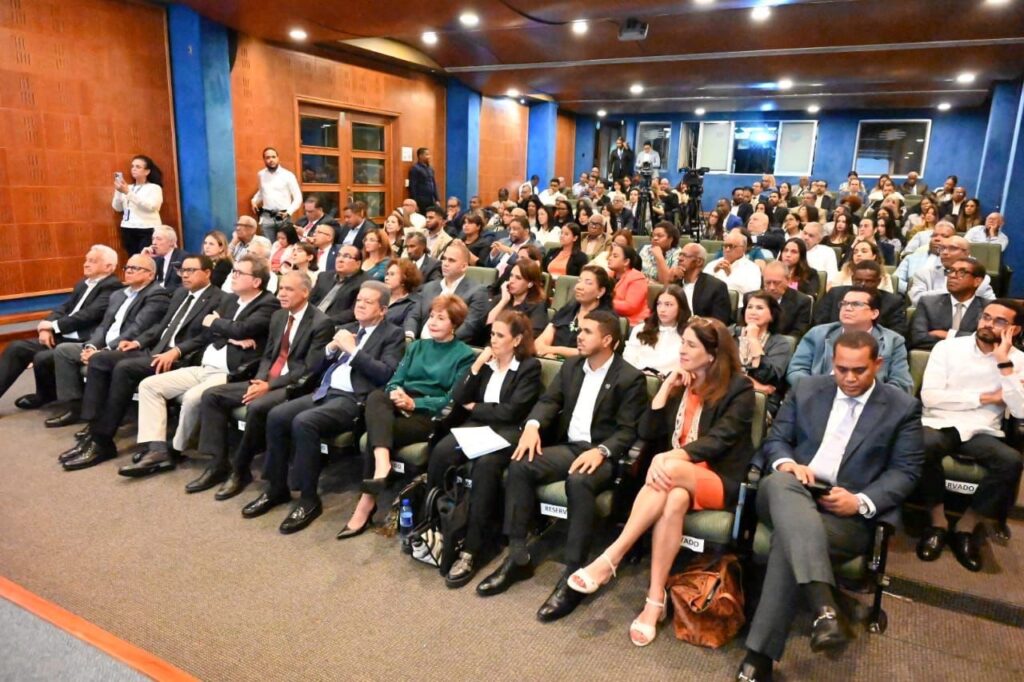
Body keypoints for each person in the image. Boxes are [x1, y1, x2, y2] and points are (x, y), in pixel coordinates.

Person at [737, 332, 923, 682]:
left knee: (787, 541)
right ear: (832, 364)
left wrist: (860, 501)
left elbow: (906, 472)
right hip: (790, 490)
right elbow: (777, 440)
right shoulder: (808, 388)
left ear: (878, 364)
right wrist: (788, 464)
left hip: (845, 513)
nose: (849, 378)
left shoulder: (901, 407)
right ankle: (824, 604)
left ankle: (760, 655)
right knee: (779, 482)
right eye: (841, 369)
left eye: (859, 370)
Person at [568, 317, 754, 644]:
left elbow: (721, 439)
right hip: (676, 482)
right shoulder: (682, 382)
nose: (682, 350)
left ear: (712, 354)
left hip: (719, 478)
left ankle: (611, 557)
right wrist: (666, 389)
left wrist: (670, 457)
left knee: (667, 469)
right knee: (675, 499)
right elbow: (647, 432)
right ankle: (655, 600)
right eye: (682, 343)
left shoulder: (739, 388)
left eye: (691, 345)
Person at [476, 312, 647, 623]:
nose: (578, 335)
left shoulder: (629, 377)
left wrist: (602, 451)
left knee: (579, 481)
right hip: (570, 447)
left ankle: (573, 572)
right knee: (521, 463)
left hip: (602, 455)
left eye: (587, 331)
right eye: (579, 329)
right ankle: (517, 555)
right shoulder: (571, 367)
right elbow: (549, 402)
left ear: (607, 340)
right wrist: (532, 426)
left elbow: (627, 430)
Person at [238, 281, 406, 532]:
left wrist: (353, 351)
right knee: (276, 415)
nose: (360, 305)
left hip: (353, 400)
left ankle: (308, 499)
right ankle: (276, 488)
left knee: (304, 422)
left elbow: (385, 374)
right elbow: (313, 368)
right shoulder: (348, 329)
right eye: (359, 300)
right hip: (324, 391)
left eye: (368, 302)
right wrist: (330, 349)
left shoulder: (393, 334)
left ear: (383, 310)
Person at [117, 256, 279, 477]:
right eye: (234, 271)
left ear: (256, 281)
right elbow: (209, 329)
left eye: (239, 273)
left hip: (230, 373)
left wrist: (222, 326)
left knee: (193, 397)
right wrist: (231, 334)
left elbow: (241, 329)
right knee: (149, 385)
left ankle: (174, 449)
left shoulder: (268, 303)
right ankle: (157, 448)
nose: (233, 276)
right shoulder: (230, 300)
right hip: (204, 366)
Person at [60, 255, 225, 471]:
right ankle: (94, 430)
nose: (185, 275)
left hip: (181, 359)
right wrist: (137, 342)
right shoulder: (180, 294)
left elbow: (207, 336)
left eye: (191, 270)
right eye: (182, 270)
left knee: (124, 368)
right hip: (154, 351)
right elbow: (161, 326)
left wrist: (176, 351)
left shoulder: (219, 298)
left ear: (208, 273)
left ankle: (102, 440)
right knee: (100, 359)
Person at [182, 271, 334, 497]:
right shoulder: (279, 316)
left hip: (293, 386)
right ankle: (217, 463)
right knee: (212, 396)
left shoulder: (321, 323)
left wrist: (269, 386)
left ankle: (240, 468)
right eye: (281, 288)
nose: (281, 294)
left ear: (305, 292)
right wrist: (261, 379)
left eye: (289, 289)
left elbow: (308, 369)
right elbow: (268, 355)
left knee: (257, 406)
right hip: (267, 380)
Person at [337, 295, 476, 538]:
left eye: (441, 318)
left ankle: (365, 505)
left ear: (454, 324)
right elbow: (394, 381)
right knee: (377, 396)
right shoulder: (417, 346)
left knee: (377, 433)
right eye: (431, 316)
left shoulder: (464, 355)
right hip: (400, 402)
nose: (432, 322)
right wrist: (396, 393)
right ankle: (382, 465)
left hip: (428, 415)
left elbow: (451, 399)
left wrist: (415, 403)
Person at [430, 311, 543, 586]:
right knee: (442, 451)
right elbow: (459, 397)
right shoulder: (487, 362)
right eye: (492, 334)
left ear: (517, 340)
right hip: (478, 427)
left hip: (508, 433)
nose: (493, 339)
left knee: (486, 466)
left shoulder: (529, 367)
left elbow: (512, 411)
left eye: (500, 335)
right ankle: (434, 526)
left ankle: (472, 549)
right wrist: (477, 365)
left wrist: (477, 408)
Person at [914, 299, 1024, 572]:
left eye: (1000, 321)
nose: (988, 323)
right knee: (922, 445)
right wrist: (986, 397)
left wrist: (1004, 363)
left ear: (1015, 330)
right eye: (986, 316)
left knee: (1011, 462)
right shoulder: (948, 348)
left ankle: (966, 526)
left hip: (982, 429)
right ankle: (938, 522)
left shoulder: (1019, 361)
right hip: (941, 422)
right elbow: (931, 398)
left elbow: (1020, 409)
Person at [47, 254, 172, 428]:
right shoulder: (118, 294)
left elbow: (136, 329)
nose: (129, 271)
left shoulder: (156, 295)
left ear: (150, 275)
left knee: (99, 361)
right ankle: (73, 407)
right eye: (127, 267)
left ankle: (99, 419)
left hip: (127, 348)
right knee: (64, 350)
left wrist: (104, 351)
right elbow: (104, 326)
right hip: (103, 345)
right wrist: (92, 346)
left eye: (135, 268)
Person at [2, 246, 122, 409]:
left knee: (42, 357)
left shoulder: (112, 287)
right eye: (86, 260)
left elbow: (89, 315)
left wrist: (53, 326)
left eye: (92, 261)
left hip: (83, 340)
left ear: (108, 267)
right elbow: (64, 307)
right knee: (17, 348)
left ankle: (46, 396)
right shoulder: (83, 284)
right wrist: (46, 328)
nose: (86, 264)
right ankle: (43, 395)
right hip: (62, 335)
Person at [788, 287, 913, 393]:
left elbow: (902, 383)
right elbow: (796, 370)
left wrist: (869, 396)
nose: (847, 308)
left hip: (870, 404)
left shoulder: (893, 341)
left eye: (856, 304)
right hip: (818, 397)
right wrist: (817, 390)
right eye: (844, 303)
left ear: (874, 313)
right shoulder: (818, 334)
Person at [404, 241, 488, 343]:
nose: (445, 263)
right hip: (419, 344)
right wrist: (409, 336)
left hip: (450, 347)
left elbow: (470, 327)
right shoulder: (429, 287)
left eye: (451, 260)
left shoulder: (477, 291)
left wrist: (442, 342)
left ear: (464, 266)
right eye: (444, 259)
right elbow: (414, 316)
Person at [535, 265, 615, 358]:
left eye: (588, 283)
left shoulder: (606, 318)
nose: (579, 287)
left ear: (601, 291)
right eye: (579, 281)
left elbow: (592, 352)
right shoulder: (568, 309)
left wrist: (553, 350)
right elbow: (540, 342)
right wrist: (547, 354)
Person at [909, 258, 990, 350]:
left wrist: (948, 334)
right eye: (951, 271)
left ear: (977, 281)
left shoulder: (988, 308)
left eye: (962, 272)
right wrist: (971, 341)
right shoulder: (928, 303)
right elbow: (918, 338)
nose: (952, 275)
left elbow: (989, 340)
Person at [814, 260, 908, 338]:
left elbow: (897, 332)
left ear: (878, 281)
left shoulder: (892, 302)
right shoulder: (835, 294)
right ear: (852, 279)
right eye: (858, 280)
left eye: (869, 281)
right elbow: (820, 322)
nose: (862, 284)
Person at [734, 291, 793, 415]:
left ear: (772, 315)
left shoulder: (780, 344)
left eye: (759, 308)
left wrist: (753, 340)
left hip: (761, 401)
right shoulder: (730, 334)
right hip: (728, 393)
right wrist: (756, 385)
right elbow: (718, 370)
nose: (752, 311)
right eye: (749, 307)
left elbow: (766, 376)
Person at [622, 285, 691, 378]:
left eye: (668, 305)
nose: (662, 310)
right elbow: (628, 359)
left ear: (680, 307)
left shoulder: (688, 334)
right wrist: (639, 374)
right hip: (638, 378)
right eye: (659, 304)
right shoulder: (641, 329)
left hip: (673, 381)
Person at [909, 235, 994, 304]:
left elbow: (991, 305)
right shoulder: (923, 274)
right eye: (942, 248)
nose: (945, 252)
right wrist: (953, 290)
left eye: (952, 248)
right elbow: (917, 300)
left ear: (966, 253)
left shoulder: (977, 277)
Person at [112, 155, 164, 255]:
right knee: (133, 258)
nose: (134, 169)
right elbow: (117, 208)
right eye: (132, 166)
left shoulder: (154, 188)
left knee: (146, 258)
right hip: (127, 227)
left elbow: (152, 206)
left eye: (138, 167)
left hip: (147, 229)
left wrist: (128, 193)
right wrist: (118, 191)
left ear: (147, 171)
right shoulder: (128, 187)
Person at [746, 261, 813, 338]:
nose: (772, 287)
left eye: (776, 283)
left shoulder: (802, 301)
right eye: (768, 283)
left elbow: (797, 334)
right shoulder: (751, 298)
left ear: (788, 280)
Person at [671, 242, 733, 325]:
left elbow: (719, 322)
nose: (680, 258)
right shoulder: (675, 283)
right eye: (680, 255)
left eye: (685, 256)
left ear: (699, 261)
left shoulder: (716, 287)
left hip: (699, 330)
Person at [251, 147, 302, 240]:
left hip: (283, 216)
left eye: (273, 157)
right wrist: (254, 201)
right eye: (268, 157)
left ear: (278, 158)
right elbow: (262, 192)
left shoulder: (288, 175)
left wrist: (288, 212)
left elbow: (298, 197)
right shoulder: (261, 174)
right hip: (266, 217)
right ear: (264, 159)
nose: (271, 160)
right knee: (267, 244)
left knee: (285, 244)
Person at [486, 260, 549, 335]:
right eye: (511, 275)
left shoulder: (538, 305)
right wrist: (503, 301)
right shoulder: (502, 298)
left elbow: (533, 334)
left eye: (518, 278)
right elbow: (487, 327)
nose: (511, 281)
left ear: (530, 284)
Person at [310, 245, 368, 326]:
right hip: (310, 320)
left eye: (346, 256)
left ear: (358, 263)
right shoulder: (324, 276)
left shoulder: (365, 283)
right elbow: (310, 300)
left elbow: (353, 313)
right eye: (338, 255)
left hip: (335, 325)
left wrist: (325, 322)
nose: (340, 260)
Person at [703, 229, 763, 305]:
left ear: (743, 248)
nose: (727, 250)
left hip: (737, 308)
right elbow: (701, 286)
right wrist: (713, 272)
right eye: (725, 246)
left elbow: (752, 292)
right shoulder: (713, 265)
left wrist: (730, 275)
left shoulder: (752, 268)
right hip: (711, 305)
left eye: (731, 246)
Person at [828, 239, 894, 293]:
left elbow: (888, 300)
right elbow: (832, 295)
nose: (858, 254)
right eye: (855, 252)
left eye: (864, 251)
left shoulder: (884, 277)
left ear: (874, 256)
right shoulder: (843, 274)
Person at [609, 243, 651, 327]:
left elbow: (630, 307)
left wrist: (604, 302)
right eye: (610, 255)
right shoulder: (608, 275)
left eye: (615, 256)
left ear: (626, 262)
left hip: (633, 323)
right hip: (611, 319)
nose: (610, 258)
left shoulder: (637, 277)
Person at [142, 225, 187, 290]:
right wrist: (144, 259)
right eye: (153, 239)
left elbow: (183, 285)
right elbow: (142, 280)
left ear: (171, 242)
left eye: (159, 239)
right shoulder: (154, 258)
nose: (154, 242)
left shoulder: (183, 258)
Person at [383, 258, 421, 326]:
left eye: (392, 274)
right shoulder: (380, 296)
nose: (386, 278)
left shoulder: (413, 303)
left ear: (404, 278)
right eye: (387, 274)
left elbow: (409, 325)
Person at [408, 147, 439, 212]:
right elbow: (413, 187)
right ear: (420, 156)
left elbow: (434, 184)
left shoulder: (430, 169)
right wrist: (415, 203)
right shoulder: (415, 169)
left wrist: (437, 199)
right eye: (426, 154)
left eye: (429, 154)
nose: (429, 156)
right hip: (421, 202)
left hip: (431, 200)